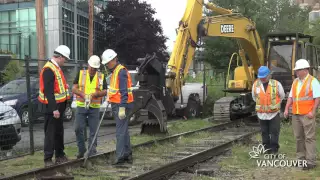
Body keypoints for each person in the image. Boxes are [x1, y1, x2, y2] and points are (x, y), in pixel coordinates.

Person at [38, 45, 71, 167]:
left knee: (58, 132)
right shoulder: (48, 69)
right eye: (65, 59)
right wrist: (54, 109)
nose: (65, 61)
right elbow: (48, 92)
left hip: (59, 106)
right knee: (50, 133)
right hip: (52, 108)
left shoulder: (55, 68)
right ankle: (48, 159)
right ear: (60, 57)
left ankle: (60, 155)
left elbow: (57, 87)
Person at [284, 59, 320, 170]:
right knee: (299, 137)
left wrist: (313, 112)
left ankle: (311, 161)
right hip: (296, 114)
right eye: (296, 70)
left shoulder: (313, 81)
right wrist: (286, 109)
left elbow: (317, 98)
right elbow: (291, 97)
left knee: (309, 137)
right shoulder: (295, 82)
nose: (296, 72)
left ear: (305, 70)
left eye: (298, 70)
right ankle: (301, 159)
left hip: (307, 114)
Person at [101, 49, 134, 165]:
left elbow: (124, 92)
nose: (107, 65)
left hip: (122, 105)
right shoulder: (116, 71)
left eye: (108, 63)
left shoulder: (121, 72)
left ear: (114, 60)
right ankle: (127, 154)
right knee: (123, 130)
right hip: (118, 104)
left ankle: (120, 157)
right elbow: (116, 90)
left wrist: (122, 107)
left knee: (120, 131)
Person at [72, 55, 108, 159]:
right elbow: (74, 88)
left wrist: (95, 95)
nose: (92, 69)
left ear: (97, 68)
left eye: (94, 68)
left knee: (94, 130)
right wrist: (83, 95)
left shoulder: (101, 76)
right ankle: (81, 149)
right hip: (81, 106)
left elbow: (105, 91)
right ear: (88, 65)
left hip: (94, 107)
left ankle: (92, 151)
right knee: (78, 128)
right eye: (91, 67)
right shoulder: (81, 74)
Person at [252, 66, 285, 155]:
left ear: (269, 76)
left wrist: (273, 106)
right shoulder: (255, 85)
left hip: (274, 113)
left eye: (264, 77)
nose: (262, 79)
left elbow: (282, 96)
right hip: (261, 114)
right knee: (264, 132)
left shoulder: (276, 84)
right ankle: (266, 149)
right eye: (260, 77)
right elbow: (254, 97)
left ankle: (274, 150)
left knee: (274, 132)